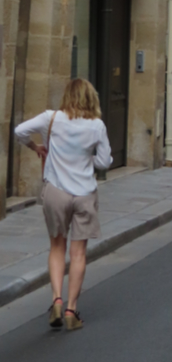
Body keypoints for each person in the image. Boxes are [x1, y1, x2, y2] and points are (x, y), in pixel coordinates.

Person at [14, 78, 112, 331]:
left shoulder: (51, 118)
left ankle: (56, 299)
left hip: (56, 192)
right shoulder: (96, 125)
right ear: (91, 98)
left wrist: (36, 146)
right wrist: (86, 153)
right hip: (84, 194)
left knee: (57, 246)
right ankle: (71, 310)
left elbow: (19, 131)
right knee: (78, 253)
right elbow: (103, 162)